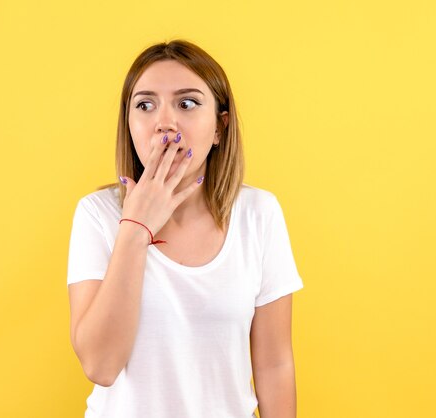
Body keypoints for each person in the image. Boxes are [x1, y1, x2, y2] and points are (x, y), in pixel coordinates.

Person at [67, 39, 304, 418]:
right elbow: (100, 365)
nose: (164, 122)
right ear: (129, 124)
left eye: (187, 103)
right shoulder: (96, 215)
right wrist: (135, 227)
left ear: (219, 128)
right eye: (145, 105)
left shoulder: (259, 214)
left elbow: (274, 365)